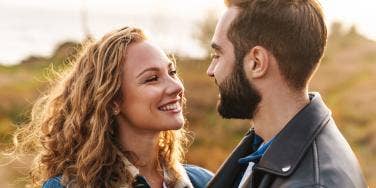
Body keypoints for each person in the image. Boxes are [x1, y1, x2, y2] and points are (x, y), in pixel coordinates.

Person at [11, 27, 212, 188]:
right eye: (152, 78)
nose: (176, 86)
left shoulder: (206, 182)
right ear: (113, 100)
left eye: (172, 72)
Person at [206, 0, 367, 187]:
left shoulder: (313, 183)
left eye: (217, 55)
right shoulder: (264, 142)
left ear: (256, 63)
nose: (211, 70)